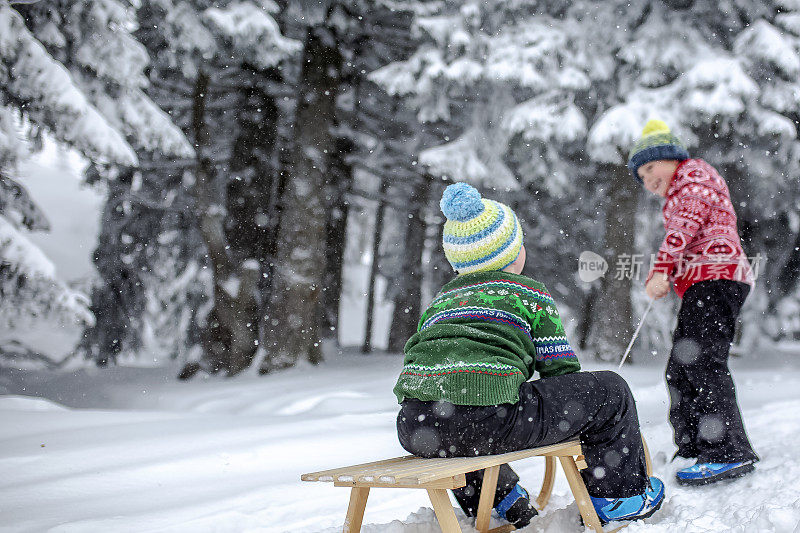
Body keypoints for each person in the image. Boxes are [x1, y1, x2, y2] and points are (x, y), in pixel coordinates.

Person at [393, 182, 664, 528]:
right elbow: (561, 372)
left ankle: (502, 500)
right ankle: (618, 496)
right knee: (610, 390)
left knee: (461, 419)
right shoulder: (528, 294)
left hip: (416, 425)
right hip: (490, 419)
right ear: (510, 253)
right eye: (519, 243)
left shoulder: (442, 301)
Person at [628, 119, 759, 485]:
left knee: (702, 361)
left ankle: (727, 451)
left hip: (718, 278)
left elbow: (684, 228)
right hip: (704, 283)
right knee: (680, 366)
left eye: (651, 167)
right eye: (641, 176)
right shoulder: (678, 189)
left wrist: (660, 272)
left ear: (671, 157)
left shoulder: (695, 175)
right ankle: (691, 448)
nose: (648, 180)